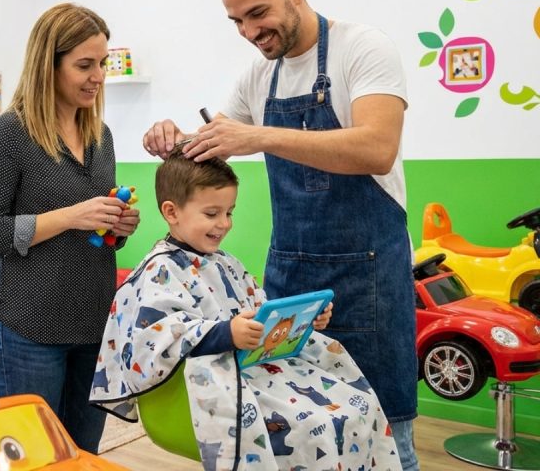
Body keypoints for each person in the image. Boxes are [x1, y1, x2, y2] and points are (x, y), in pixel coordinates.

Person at [142, 0, 419, 469]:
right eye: (236, 21)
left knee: (386, 434)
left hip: (369, 284)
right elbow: (215, 144)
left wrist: (262, 136)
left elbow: (377, 148)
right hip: (291, 285)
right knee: (296, 432)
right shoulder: (258, 76)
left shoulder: (362, 48)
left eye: (258, 13)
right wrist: (175, 139)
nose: (249, 32)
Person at [89, 153, 400, 470]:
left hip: (257, 374)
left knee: (357, 407)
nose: (224, 223)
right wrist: (227, 333)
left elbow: (259, 314)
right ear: (171, 212)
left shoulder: (226, 263)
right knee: (309, 427)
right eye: (212, 213)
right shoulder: (159, 272)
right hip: (201, 389)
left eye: (229, 212)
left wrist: (301, 322)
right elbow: (155, 340)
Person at [0, 3, 141, 453]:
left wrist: (118, 226)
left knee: (82, 453)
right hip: (29, 326)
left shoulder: (101, 136)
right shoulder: (8, 135)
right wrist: (70, 216)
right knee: (38, 455)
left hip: (93, 321)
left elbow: (99, 231)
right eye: (85, 65)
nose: (98, 76)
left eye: (101, 63)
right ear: (50, 64)